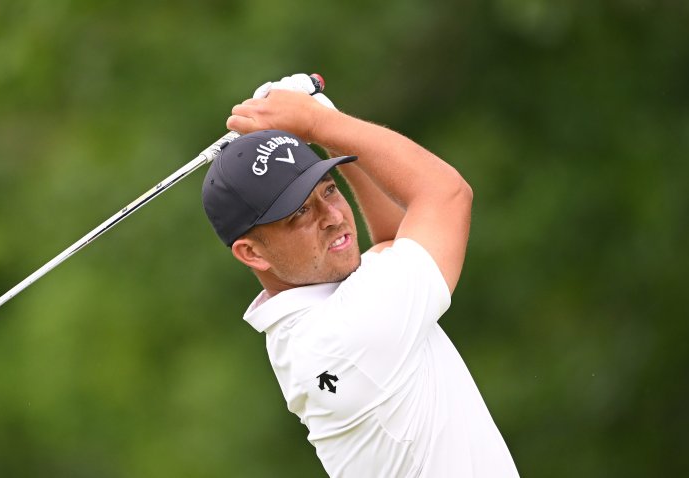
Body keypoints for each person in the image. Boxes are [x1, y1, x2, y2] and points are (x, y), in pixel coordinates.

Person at [202, 74, 519, 477]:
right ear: (252, 253)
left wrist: (327, 121)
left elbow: (390, 241)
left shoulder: (317, 311)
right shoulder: (343, 335)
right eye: (300, 213)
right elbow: (447, 194)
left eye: (329, 190)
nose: (333, 218)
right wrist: (317, 124)